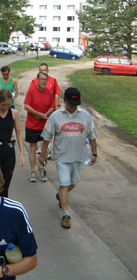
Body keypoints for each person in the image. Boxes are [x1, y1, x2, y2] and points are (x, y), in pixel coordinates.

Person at [39, 88, 97, 229]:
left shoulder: (85, 116)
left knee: (74, 182)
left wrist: (94, 154)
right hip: (62, 157)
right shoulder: (56, 116)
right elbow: (47, 138)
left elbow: (92, 137)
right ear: (64, 101)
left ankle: (61, 195)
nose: (73, 106)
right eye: (70, 103)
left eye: (75, 104)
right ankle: (66, 215)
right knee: (64, 184)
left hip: (78, 156)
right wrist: (43, 154)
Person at [24, 72, 55, 183]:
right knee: (33, 147)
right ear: (37, 80)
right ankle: (33, 170)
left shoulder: (49, 92)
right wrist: (37, 114)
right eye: (41, 79)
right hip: (32, 124)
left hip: (44, 125)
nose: (43, 81)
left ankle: (41, 168)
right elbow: (26, 105)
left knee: (44, 149)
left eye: (45, 79)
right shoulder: (32, 90)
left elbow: (53, 106)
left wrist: (45, 114)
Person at [30, 63, 61, 158]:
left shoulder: (53, 81)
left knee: (50, 130)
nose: (43, 71)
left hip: (50, 110)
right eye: (41, 70)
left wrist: (57, 107)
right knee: (40, 129)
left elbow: (56, 94)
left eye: (45, 70)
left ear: (48, 71)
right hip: (39, 110)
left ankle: (49, 149)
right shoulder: (34, 81)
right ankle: (41, 148)